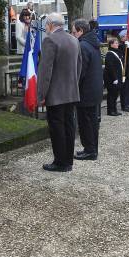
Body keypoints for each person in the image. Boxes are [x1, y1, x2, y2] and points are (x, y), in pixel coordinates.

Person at [37, 13, 82, 172]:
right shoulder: (74, 39)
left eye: (46, 25)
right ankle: (68, 161)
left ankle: (60, 162)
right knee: (69, 126)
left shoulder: (49, 40)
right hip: (71, 92)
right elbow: (79, 66)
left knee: (57, 129)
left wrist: (41, 95)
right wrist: (73, 85)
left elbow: (45, 71)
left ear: (49, 24)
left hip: (55, 94)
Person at [71, 19, 102, 161]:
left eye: (73, 32)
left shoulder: (83, 45)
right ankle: (92, 149)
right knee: (92, 122)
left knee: (86, 122)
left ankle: (89, 150)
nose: (72, 35)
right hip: (94, 89)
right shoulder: (93, 43)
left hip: (86, 91)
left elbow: (80, 72)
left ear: (80, 31)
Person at [104, 37, 123, 116]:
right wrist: (114, 78)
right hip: (111, 78)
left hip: (117, 77)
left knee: (115, 95)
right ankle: (110, 110)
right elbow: (110, 67)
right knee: (111, 95)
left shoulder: (116, 52)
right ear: (111, 45)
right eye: (115, 43)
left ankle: (114, 109)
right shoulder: (109, 54)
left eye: (117, 43)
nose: (117, 44)